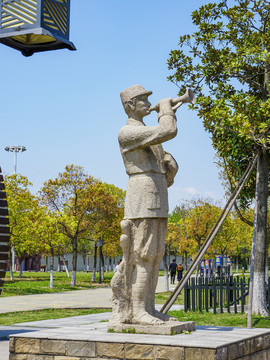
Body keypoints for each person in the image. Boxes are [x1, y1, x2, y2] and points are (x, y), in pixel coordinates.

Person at [109, 85, 179, 326]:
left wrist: (170, 164)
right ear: (130, 105)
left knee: (156, 254)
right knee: (142, 255)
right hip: (142, 196)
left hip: (157, 193)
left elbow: (166, 165)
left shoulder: (147, 133)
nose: (148, 103)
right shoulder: (127, 132)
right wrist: (166, 109)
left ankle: (148, 308)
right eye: (143, 100)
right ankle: (137, 311)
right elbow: (168, 129)